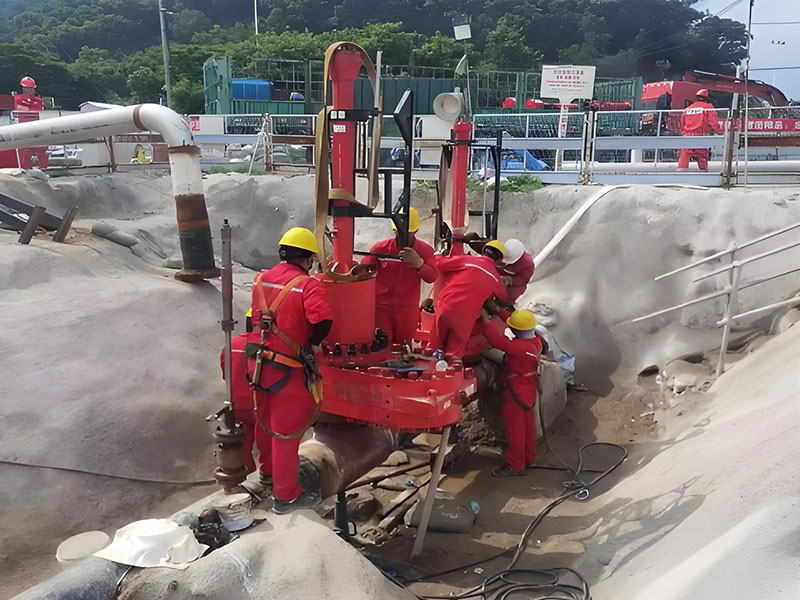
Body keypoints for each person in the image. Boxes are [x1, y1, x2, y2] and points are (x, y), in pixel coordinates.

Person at [247, 227, 333, 513]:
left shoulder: (260, 280)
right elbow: (323, 321)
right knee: (287, 432)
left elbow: (254, 322)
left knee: (266, 421)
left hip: (259, 364)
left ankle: (267, 475)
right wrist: (312, 343)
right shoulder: (307, 285)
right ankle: (285, 496)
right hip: (288, 369)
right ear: (307, 258)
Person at [360, 207, 438, 346]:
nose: (403, 236)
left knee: (404, 347)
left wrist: (419, 264)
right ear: (394, 230)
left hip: (407, 310)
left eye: (408, 233)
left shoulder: (425, 251)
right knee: (383, 345)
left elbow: (432, 276)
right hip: (381, 308)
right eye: (399, 232)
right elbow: (362, 273)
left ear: (416, 231)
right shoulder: (380, 249)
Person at [480, 308, 543, 477]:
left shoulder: (519, 347)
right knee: (528, 426)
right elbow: (518, 323)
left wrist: (485, 320)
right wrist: (499, 310)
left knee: (515, 431)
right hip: (528, 391)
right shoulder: (536, 341)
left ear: (516, 330)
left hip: (515, 392)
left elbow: (498, 341)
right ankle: (529, 458)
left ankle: (516, 465)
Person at [431, 240, 508, 358]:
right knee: (455, 351)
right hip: (466, 316)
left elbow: (439, 263)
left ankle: (433, 361)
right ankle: (452, 368)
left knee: (435, 344)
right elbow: (503, 297)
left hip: (446, 305)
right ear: (499, 260)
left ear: (483, 251)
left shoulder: (468, 261)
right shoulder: (496, 278)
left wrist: (438, 253)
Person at [219, 310, 265, 480]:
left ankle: (246, 480)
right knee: (268, 449)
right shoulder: (268, 348)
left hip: (237, 405)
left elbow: (226, 375)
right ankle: (267, 481)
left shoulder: (230, 345)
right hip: (261, 405)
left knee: (243, 450)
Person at [678, 89, 723, 172]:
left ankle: (681, 172)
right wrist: (719, 132)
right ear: (706, 98)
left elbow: (682, 124)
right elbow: (713, 122)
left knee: (684, 156)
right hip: (702, 136)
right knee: (702, 156)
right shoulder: (708, 107)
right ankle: (703, 174)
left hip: (687, 136)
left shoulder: (688, 109)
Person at [500, 239, 535, 306]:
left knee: (512, 294)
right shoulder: (500, 251)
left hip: (514, 285)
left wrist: (509, 280)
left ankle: (505, 304)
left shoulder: (528, 263)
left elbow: (523, 279)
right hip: (498, 274)